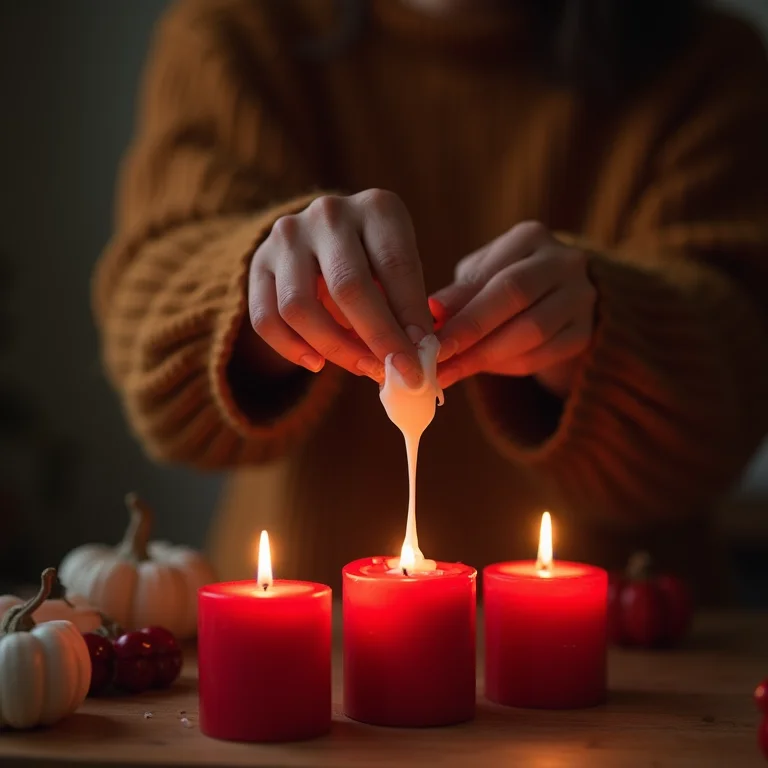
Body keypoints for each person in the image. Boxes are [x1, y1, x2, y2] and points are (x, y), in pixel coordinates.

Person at [94, 0, 768, 596]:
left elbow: (738, 395)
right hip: (318, 670)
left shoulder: (707, 64)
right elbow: (156, 375)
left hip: (635, 673)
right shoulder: (234, 31)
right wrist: (263, 298)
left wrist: (604, 340)